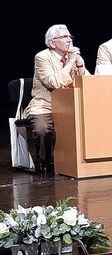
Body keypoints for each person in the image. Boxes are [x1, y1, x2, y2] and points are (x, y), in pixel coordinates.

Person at [23, 24, 89, 172]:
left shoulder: (73, 57)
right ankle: (44, 164)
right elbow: (53, 82)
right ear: (53, 42)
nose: (69, 40)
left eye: (70, 36)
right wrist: (71, 62)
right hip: (45, 105)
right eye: (65, 37)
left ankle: (78, 163)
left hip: (70, 106)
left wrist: (80, 65)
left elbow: (87, 83)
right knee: (42, 129)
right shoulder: (42, 57)